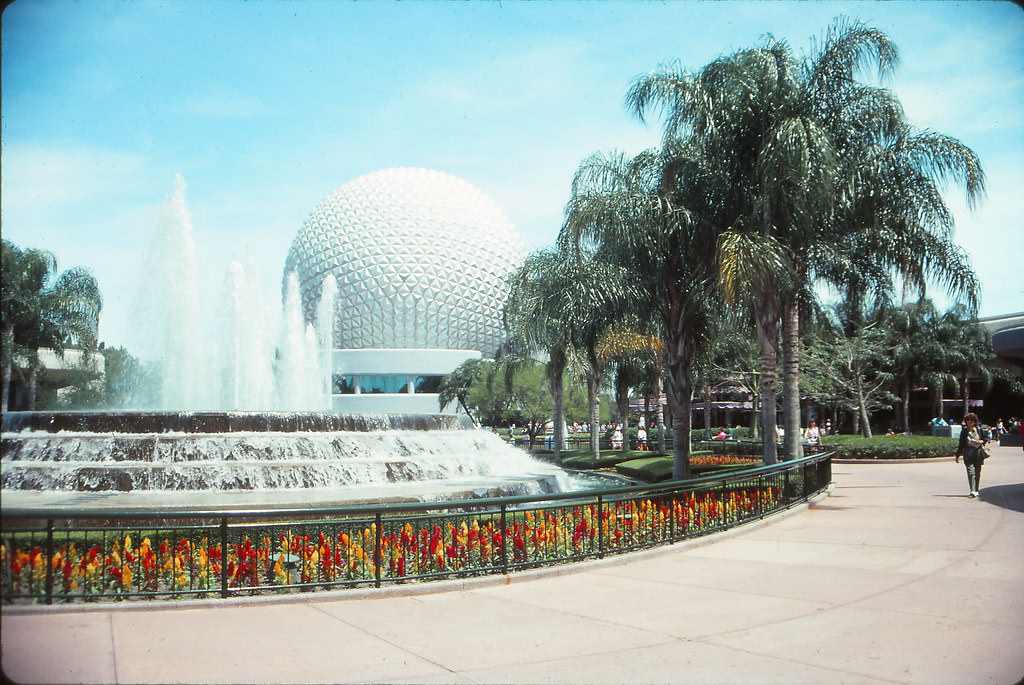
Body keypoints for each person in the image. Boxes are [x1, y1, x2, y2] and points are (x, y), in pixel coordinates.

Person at [955, 412, 988, 498]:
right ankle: (972, 490)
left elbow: (985, 439)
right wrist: (957, 455)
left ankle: (976, 489)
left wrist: (981, 441)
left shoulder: (979, 430)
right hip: (968, 454)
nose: (970, 422)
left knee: (977, 472)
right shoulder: (964, 431)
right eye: (968, 420)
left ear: (975, 421)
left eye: (972, 420)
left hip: (978, 453)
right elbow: (961, 444)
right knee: (970, 472)